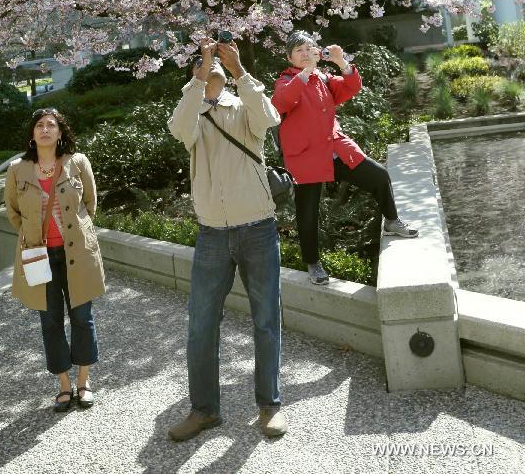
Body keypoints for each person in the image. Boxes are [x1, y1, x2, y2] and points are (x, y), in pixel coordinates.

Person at [167, 37, 286, 441]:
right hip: (212, 235)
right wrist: (198, 79)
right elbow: (177, 127)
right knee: (201, 324)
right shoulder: (192, 115)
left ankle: (269, 405)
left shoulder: (244, 107)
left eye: (216, 67)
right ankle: (204, 410)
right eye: (204, 68)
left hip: (258, 228)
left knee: (267, 320)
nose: (211, 67)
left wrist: (239, 71)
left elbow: (270, 118)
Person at [272, 31, 418, 286]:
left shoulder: (324, 78)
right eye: (299, 51)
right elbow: (281, 103)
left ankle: (392, 221)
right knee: (308, 213)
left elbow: (351, 87)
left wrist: (342, 63)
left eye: (309, 49)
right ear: (289, 57)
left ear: (317, 52)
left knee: (379, 175)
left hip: (336, 150)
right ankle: (313, 263)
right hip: (306, 156)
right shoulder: (286, 80)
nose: (306, 54)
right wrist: (304, 74)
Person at [4, 107, 106, 411]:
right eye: (39, 125)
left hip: (78, 253)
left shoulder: (77, 163)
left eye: (51, 125)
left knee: (82, 318)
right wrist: (33, 234)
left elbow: (90, 203)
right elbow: (13, 211)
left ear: (60, 133)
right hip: (39, 256)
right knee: (50, 321)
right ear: (33, 134)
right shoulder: (17, 169)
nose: (45, 129)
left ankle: (84, 381)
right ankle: (64, 384)